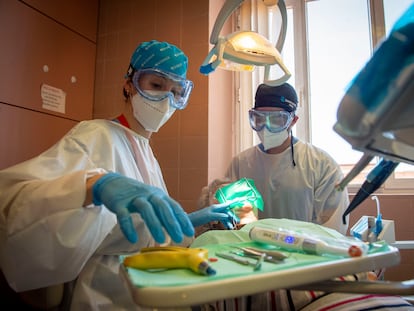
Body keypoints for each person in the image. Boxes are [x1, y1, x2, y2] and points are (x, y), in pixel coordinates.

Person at [0, 40, 237, 310]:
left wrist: (188, 221)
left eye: (176, 91)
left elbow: (144, 231)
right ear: (129, 84)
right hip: (107, 292)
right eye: (156, 85)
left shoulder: (145, 151)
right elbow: (12, 203)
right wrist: (93, 185)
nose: (166, 100)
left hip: (148, 284)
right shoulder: (95, 134)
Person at [224, 82, 350, 234]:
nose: (266, 127)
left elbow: (332, 229)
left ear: (293, 120)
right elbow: (232, 221)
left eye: (277, 120)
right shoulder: (241, 164)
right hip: (252, 253)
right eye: (259, 118)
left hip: (306, 254)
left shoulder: (321, 165)